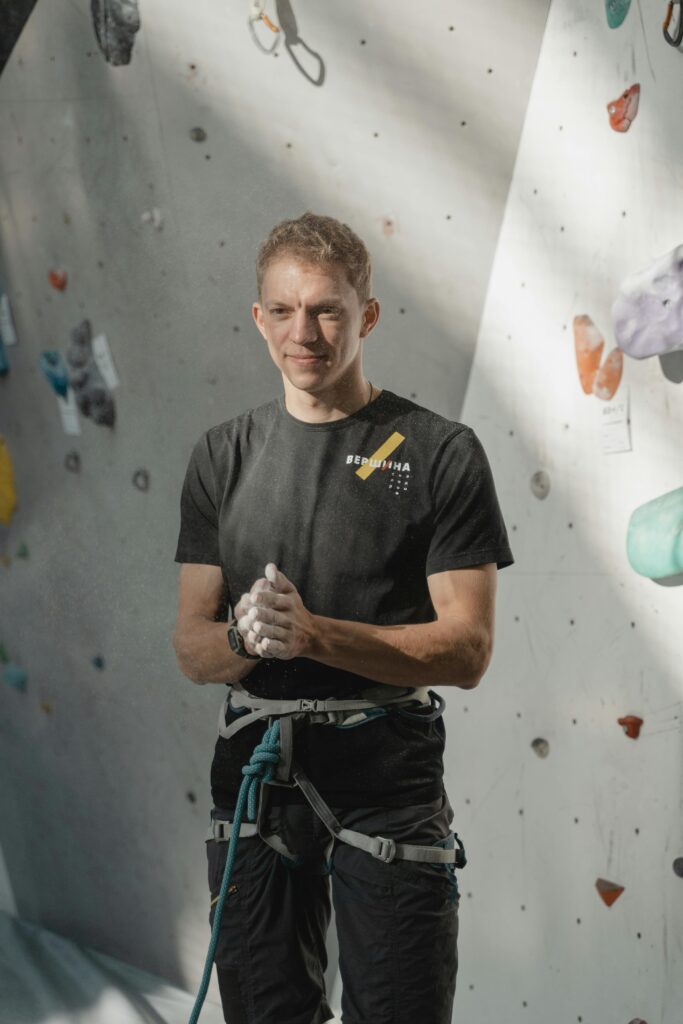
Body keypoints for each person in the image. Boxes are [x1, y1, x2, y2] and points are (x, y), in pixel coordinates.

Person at [173, 211, 514, 1024]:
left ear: (366, 314)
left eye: (327, 309)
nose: (306, 332)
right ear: (258, 319)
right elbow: (191, 645)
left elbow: (466, 651)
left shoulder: (434, 451)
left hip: (384, 776)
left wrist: (313, 633)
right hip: (256, 769)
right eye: (284, 311)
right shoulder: (222, 456)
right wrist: (240, 638)